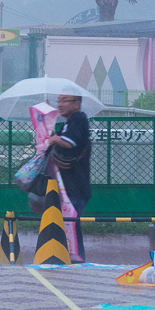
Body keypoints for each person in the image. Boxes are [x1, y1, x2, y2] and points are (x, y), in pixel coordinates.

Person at [46, 94, 91, 262]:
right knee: (68, 225)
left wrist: (56, 139)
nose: (60, 104)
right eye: (59, 101)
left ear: (77, 103)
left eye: (65, 100)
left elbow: (70, 143)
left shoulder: (78, 118)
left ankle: (77, 258)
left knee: (71, 223)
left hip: (75, 185)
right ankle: (71, 256)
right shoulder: (68, 123)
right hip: (68, 185)